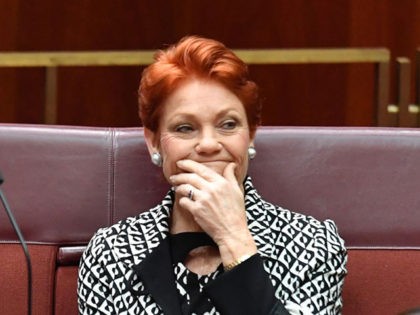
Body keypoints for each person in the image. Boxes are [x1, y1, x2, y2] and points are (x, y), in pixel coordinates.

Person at [78, 35, 347, 315]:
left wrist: (234, 240)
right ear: (154, 142)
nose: (208, 144)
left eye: (227, 124)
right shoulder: (111, 253)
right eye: (185, 128)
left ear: (251, 135)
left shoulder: (312, 246)